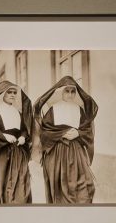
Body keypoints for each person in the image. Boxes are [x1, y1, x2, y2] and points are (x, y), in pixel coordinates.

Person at [33, 76, 98, 204]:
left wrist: (78, 133)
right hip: (57, 152)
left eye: (73, 91)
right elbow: (44, 132)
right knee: (61, 187)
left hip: (76, 152)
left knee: (86, 186)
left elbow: (88, 131)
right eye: (67, 91)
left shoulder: (80, 110)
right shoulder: (53, 110)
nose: (70, 94)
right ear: (61, 93)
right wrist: (61, 134)